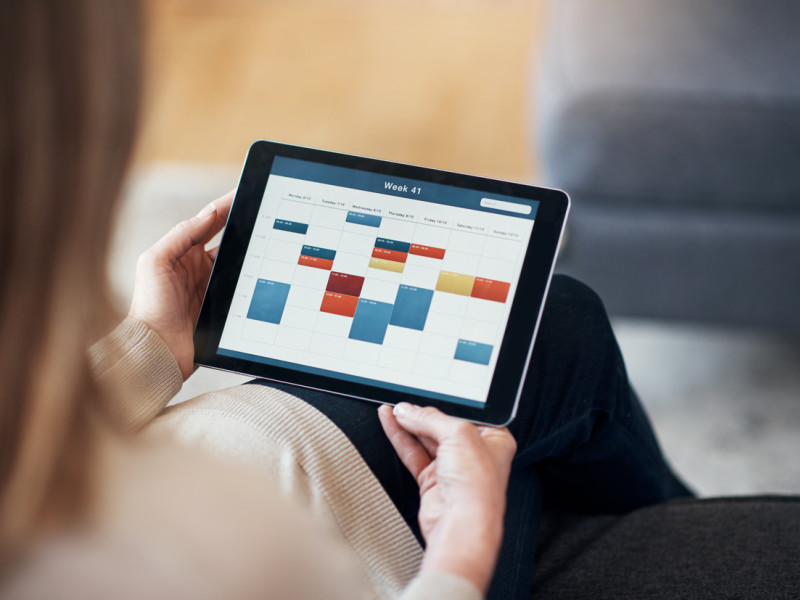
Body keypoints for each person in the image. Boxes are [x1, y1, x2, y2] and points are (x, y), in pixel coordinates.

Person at [0, 1, 691, 598]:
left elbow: (29, 438)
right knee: (562, 333)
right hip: (354, 538)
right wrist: (465, 552)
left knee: (545, 326)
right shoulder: (228, 553)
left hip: (260, 443)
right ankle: (681, 523)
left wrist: (150, 345)